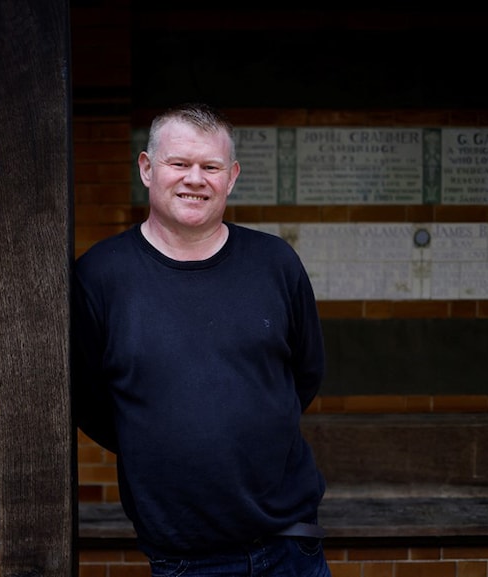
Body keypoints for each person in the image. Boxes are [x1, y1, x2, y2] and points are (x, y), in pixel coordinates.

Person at [71, 102, 331, 577]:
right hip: (185, 556)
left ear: (230, 177)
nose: (195, 178)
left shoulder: (274, 263)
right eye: (179, 164)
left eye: (210, 167)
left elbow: (304, 375)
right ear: (148, 169)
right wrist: (158, 437)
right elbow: (87, 402)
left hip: (291, 546)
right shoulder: (99, 276)